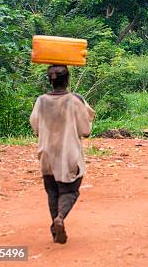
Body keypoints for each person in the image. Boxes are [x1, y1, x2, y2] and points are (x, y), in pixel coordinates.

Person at [29, 65, 95, 244]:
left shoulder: (41, 100)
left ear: (50, 81)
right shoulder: (74, 101)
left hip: (46, 154)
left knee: (52, 191)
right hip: (69, 154)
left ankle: (54, 230)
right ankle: (60, 217)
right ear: (67, 80)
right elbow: (86, 130)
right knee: (70, 190)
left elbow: (35, 126)